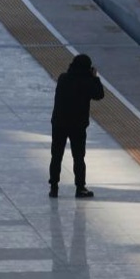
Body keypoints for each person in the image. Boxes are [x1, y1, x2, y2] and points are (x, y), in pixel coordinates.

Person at [49, 54, 105, 199]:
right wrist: (95, 77)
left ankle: (54, 187)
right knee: (78, 157)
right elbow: (100, 94)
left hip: (59, 123)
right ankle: (80, 188)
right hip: (77, 126)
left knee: (56, 155)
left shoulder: (63, 78)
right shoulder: (87, 82)